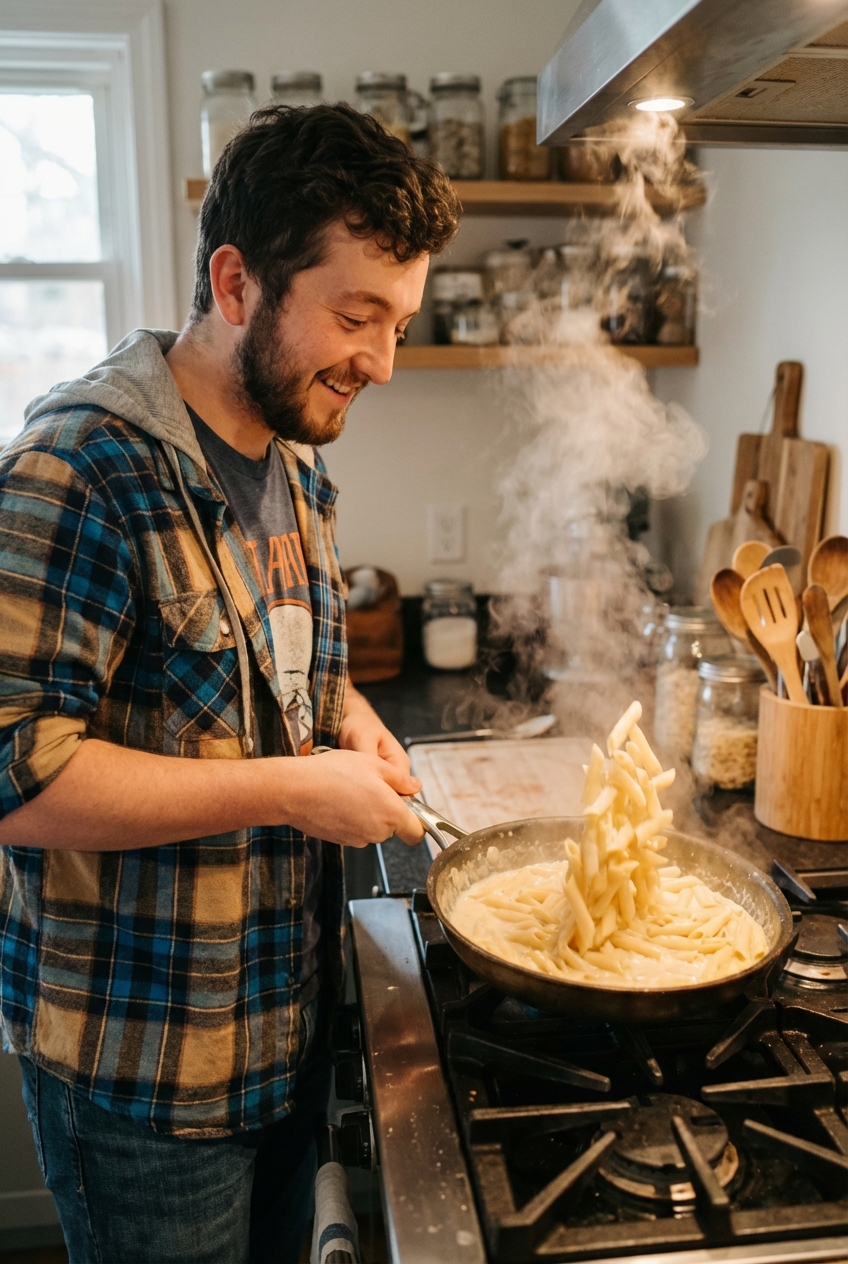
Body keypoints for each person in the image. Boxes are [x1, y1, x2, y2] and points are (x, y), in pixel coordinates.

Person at [0, 103, 459, 1263]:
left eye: (398, 323)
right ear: (237, 281)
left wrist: (345, 721)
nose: (382, 363)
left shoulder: (292, 449)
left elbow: (280, 664)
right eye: (356, 316)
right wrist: (295, 790)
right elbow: (18, 774)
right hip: (146, 1071)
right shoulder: (77, 469)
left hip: (282, 1025)